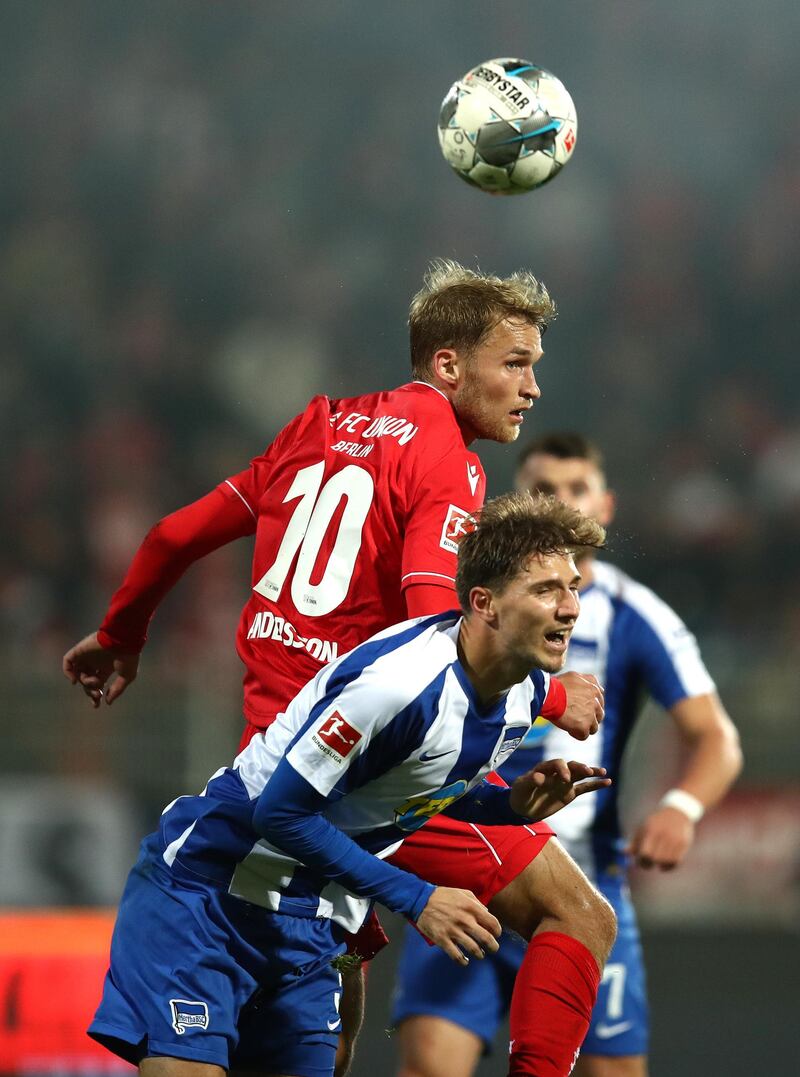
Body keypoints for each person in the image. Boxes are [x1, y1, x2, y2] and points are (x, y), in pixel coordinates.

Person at [63, 262, 606, 1074]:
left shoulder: (313, 427)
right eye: (515, 362)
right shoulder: (447, 460)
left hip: (278, 743)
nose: (531, 386)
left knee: (328, 1007)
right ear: (448, 365)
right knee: (577, 917)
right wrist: (553, 693)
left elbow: (173, 535)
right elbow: (439, 627)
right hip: (364, 761)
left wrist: (121, 632)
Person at [86, 492, 616, 1076]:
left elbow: (417, 789)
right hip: (206, 899)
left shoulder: (526, 691)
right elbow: (279, 815)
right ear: (483, 603)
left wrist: (510, 804)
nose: (570, 608)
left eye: (572, 587)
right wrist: (418, 899)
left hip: (309, 925)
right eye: (546, 590)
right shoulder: (396, 685)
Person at [392, 432, 743, 1077]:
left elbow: (716, 736)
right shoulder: (472, 597)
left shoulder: (639, 616)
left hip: (582, 868)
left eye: (574, 490)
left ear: (603, 507)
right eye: (541, 490)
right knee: (429, 1064)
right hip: (472, 860)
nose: (559, 503)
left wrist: (681, 807)